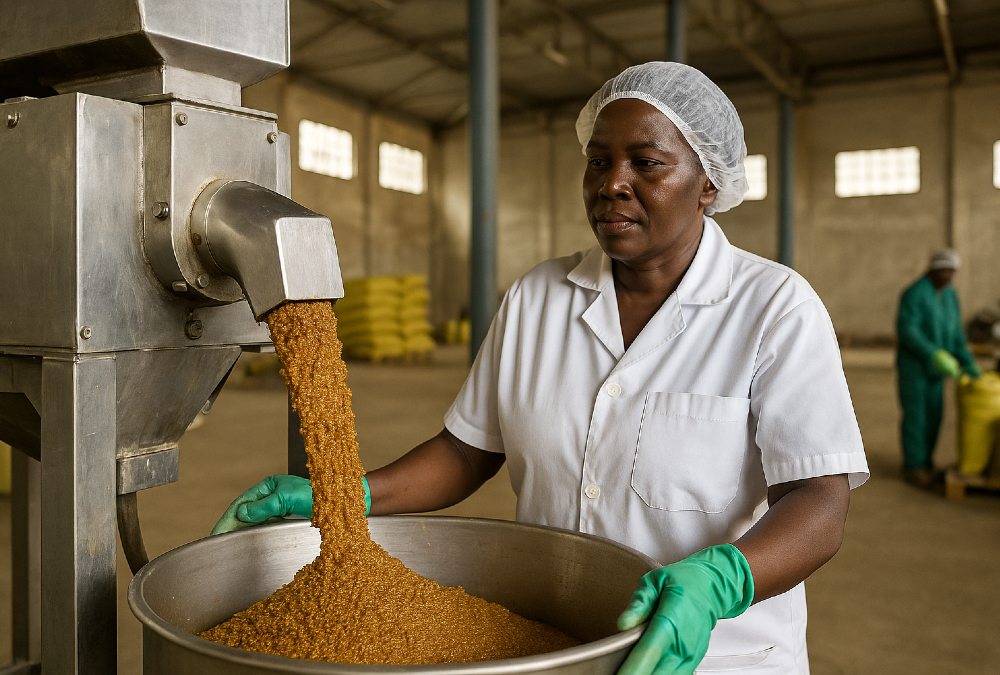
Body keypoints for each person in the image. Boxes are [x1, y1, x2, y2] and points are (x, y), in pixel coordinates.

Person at [214, 62, 869, 675]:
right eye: (598, 160)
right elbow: (467, 451)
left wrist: (722, 579)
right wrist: (351, 495)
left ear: (709, 184)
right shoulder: (537, 297)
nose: (613, 182)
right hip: (554, 647)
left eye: (646, 163)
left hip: (716, 656)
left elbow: (818, 499)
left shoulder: (775, 308)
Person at [896, 250, 981, 488]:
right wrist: (933, 353)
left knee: (935, 415)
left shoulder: (950, 295)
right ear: (932, 270)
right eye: (944, 270)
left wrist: (967, 361)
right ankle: (913, 466)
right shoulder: (915, 293)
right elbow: (908, 329)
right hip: (915, 368)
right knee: (917, 417)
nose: (948, 276)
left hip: (936, 371)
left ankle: (927, 463)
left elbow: (955, 332)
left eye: (952, 271)